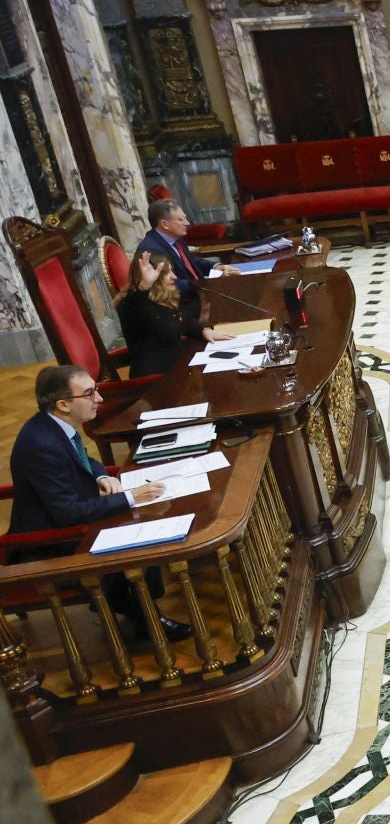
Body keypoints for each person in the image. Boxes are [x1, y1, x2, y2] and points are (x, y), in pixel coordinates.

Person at [8, 366, 190, 638]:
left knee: (143, 518)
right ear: (63, 404)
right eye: (90, 394)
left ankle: (140, 603)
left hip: (69, 520)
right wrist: (129, 497)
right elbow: (67, 513)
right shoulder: (41, 445)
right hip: (50, 545)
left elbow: (83, 459)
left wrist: (101, 474)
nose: (100, 399)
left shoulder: (55, 425)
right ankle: (140, 611)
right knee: (140, 528)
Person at [118, 248, 231, 379]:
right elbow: (134, 306)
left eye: (172, 271)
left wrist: (203, 330)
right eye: (167, 273)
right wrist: (143, 287)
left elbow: (181, 321)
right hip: (154, 378)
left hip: (177, 367)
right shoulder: (133, 304)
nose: (174, 277)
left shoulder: (162, 298)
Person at [141, 200, 219, 320]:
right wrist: (202, 286)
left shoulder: (175, 238)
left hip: (199, 295)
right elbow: (164, 285)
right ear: (165, 224)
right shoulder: (151, 249)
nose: (187, 223)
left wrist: (216, 267)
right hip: (182, 306)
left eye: (185, 218)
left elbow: (190, 262)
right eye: (181, 220)